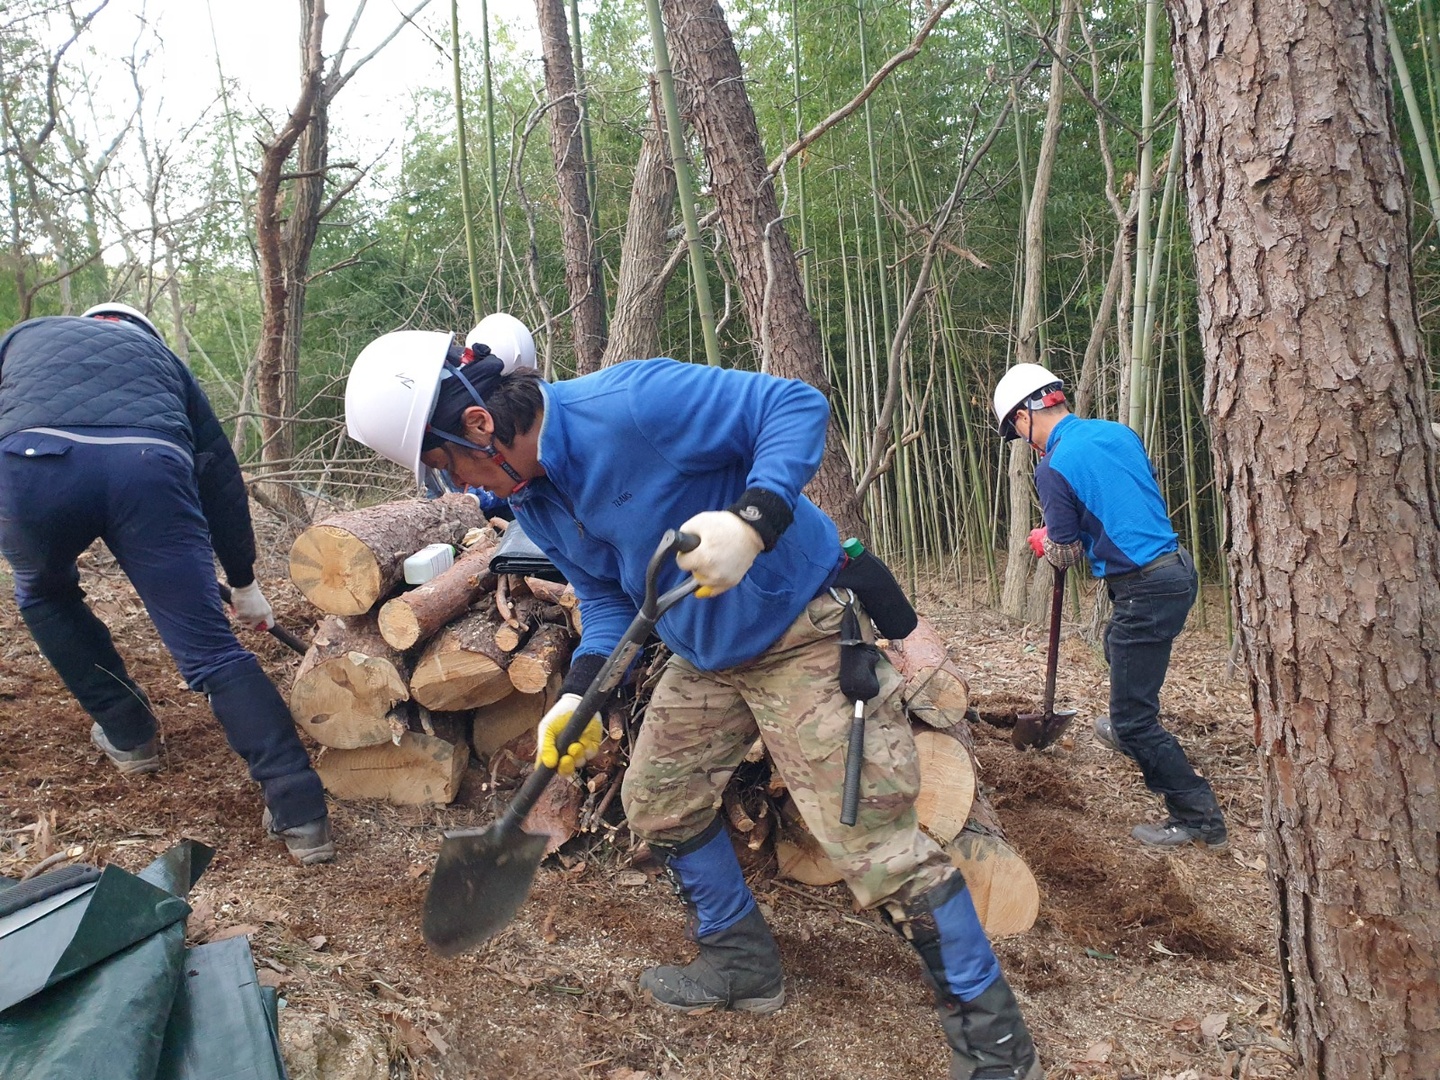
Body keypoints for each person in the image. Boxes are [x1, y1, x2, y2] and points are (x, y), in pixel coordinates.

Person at [345, 316, 1042, 1080]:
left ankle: (994, 1035)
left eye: (451, 467)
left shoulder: (632, 402)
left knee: (871, 843)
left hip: (800, 628)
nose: (461, 488)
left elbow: (795, 405)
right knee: (658, 800)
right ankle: (741, 966)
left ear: (481, 423)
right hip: (705, 654)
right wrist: (573, 698)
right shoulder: (535, 499)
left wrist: (753, 521)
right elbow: (610, 603)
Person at [0, 302, 333, 865]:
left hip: (33, 463)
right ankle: (301, 810)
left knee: (45, 592)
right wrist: (243, 579)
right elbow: (220, 476)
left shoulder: (23, 337)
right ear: (141, 334)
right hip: (149, 467)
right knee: (208, 650)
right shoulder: (164, 361)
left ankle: (129, 733)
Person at [992, 362, 1226, 851]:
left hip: (1144, 588)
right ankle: (1128, 726)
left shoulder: (1051, 466)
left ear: (1024, 415)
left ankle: (1198, 818)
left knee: (1135, 717)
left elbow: (1065, 550)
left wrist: (1042, 540)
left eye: (1016, 429)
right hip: (1176, 570)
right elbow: (1134, 491)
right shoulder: (1118, 433)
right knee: (1116, 646)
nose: (1022, 439)